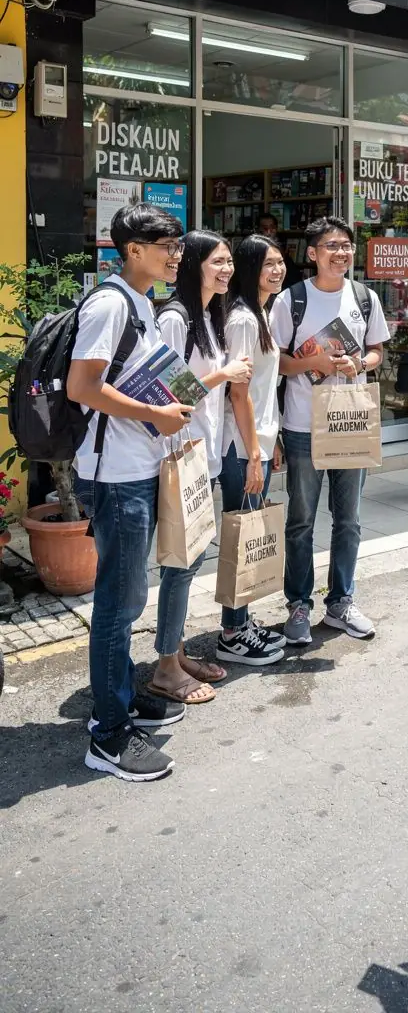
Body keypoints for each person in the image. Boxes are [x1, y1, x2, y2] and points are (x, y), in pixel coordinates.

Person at [67, 203, 193, 782]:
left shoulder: (143, 303)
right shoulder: (111, 302)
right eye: (163, 244)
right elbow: (82, 387)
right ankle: (109, 734)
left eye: (177, 244)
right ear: (132, 249)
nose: (175, 254)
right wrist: (153, 413)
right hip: (113, 474)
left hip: (137, 465)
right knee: (119, 604)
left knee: (128, 597)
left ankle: (119, 697)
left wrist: (166, 416)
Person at [270, 215, 390, 645]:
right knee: (301, 519)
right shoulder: (291, 301)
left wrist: (359, 363)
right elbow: (277, 363)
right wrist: (314, 364)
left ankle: (341, 600)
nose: (340, 253)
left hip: (350, 419)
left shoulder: (364, 298)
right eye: (331, 246)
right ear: (313, 254)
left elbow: (377, 351)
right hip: (303, 423)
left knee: (350, 519)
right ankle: (298, 604)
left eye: (346, 246)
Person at [148, 232, 253, 706]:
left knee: (189, 560)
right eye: (217, 261)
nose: (227, 269)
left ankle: (176, 649)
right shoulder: (175, 317)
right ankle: (166, 667)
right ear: (192, 264)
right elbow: (166, 392)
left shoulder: (210, 316)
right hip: (175, 457)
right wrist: (224, 375)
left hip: (200, 455)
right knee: (180, 563)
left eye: (230, 261)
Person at [216, 234, 289, 667]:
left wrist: (270, 439)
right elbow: (238, 395)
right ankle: (232, 632)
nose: (277, 270)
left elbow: (261, 393)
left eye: (280, 262)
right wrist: (255, 453)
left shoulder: (260, 312)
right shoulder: (243, 319)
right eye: (268, 264)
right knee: (241, 535)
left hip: (255, 440)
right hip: (240, 445)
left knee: (248, 533)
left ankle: (240, 621)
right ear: (249, 269)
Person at [259, 213, 298, 288]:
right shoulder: (253, 250)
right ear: (258, 229)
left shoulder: (283, 251)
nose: (269, 232)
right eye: (265, 228)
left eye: (272, 227)